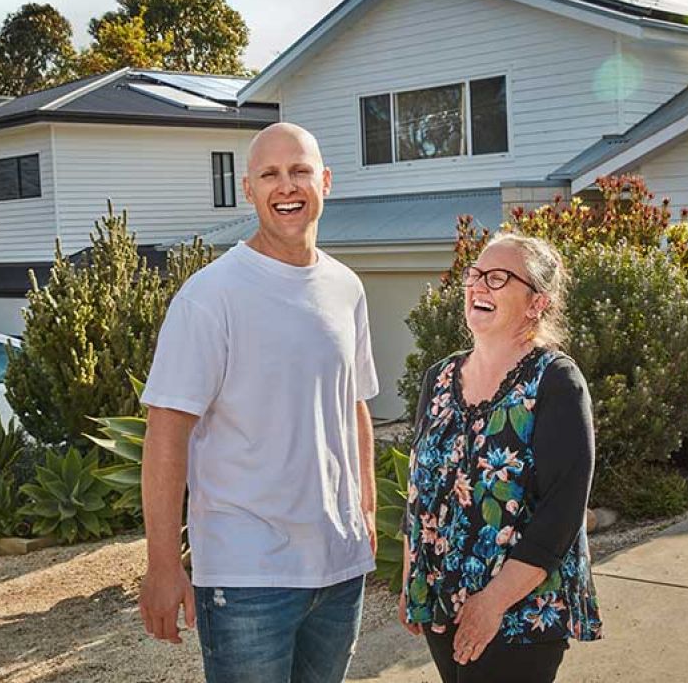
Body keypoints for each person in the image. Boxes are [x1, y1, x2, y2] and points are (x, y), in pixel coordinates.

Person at [138, 122, 380, 683]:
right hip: (247, 576)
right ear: (247, 189)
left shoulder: (347, 287)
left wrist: (365, 510)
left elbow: (356, 405)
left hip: (340, 567)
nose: (286, 186)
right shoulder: (210, 296)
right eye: (269, 174)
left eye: (299, 170)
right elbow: (167, 431)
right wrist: (162, 564)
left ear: (326, 181)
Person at [398, 233, 602, 683]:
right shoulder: (440, 376)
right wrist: (412, 574)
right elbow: (422, 485)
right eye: (474, 275)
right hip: (442, 597)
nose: (478, 286)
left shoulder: (556, 382)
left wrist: (491, 603)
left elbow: (561, 514)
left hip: (519, 612)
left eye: (497, 278)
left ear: (537, 303)